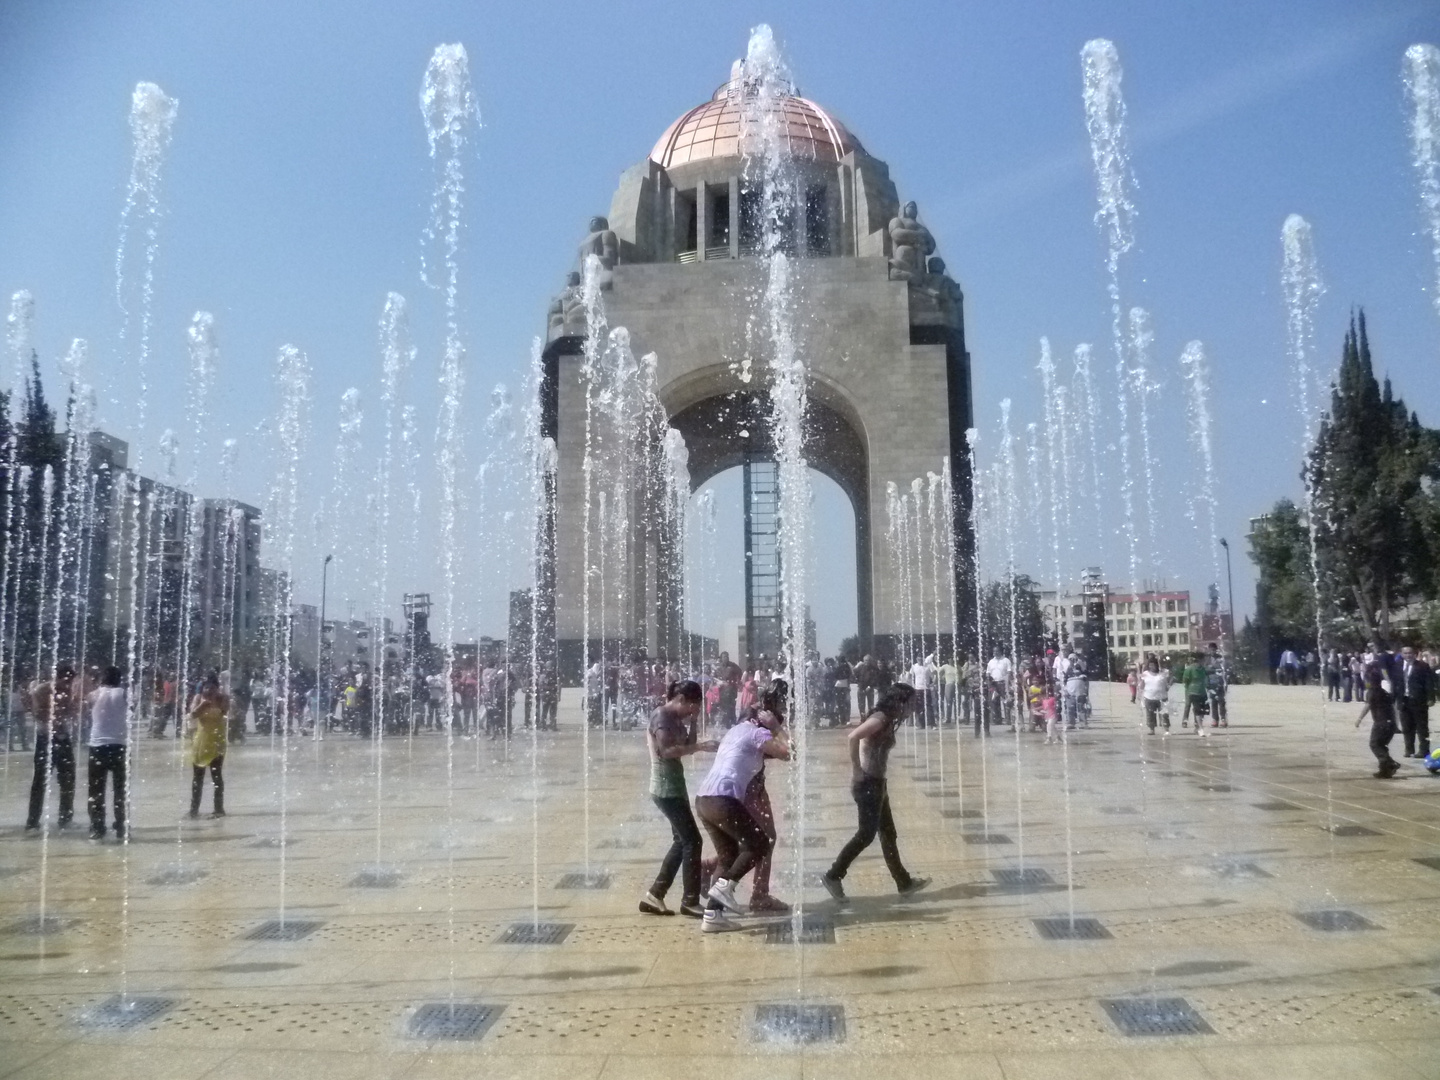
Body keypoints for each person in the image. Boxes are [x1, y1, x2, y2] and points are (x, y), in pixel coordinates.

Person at [692, 686, 792, 932]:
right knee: (759, 844)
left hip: (704, 799)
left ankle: (713, 916)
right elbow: (791, 753)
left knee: (728, 857)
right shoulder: (758, 734)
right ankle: (723, 889)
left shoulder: (737, 730)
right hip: (723, 801)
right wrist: (777, 729)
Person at [822, 683, 929, 904]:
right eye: (910, 702)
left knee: (888, 834)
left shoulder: (888, 719)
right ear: (900, 701)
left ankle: (904, 883)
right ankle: (833, 876)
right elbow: (853, 737)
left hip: (878, 783)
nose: (912, 707)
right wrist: (856, 771)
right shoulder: (880, 718)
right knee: (866, 834)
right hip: (868, 783)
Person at [640, 680, 717, 918]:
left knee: (681, 841)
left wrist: (693, 722)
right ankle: (690, 901)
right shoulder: (661, 717)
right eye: (692, 708)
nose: (692, 712)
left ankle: (655, 895)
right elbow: (667, 751)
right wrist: (702, 747)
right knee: (693, 841)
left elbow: (685, 743)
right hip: (665, 788)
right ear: (681, 699)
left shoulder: (675, 718)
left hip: (674, 786)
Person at [25, 665, 78, 831]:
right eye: (66, 679)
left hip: (63, 737)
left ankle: (65, 818)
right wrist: (57, 715)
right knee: (40, 780)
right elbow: (37, 712)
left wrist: (68, 711)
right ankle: (32, 821)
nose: (68, 683)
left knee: (68, 779)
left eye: (70, 680)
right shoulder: (42, 690)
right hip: (46, 738)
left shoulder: (68, 690)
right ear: (58, 677)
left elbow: (70, 712)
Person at [86, 666, 129, 841]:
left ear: (102, 679)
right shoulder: (125, 693)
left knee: (96, 790)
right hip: (119, 745)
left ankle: (97, 827)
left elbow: (84, 709)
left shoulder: (92, 695)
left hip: (98, 745)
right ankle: (121, 826)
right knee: (120, 789)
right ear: (119, 679)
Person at [188, 674, 229, 817]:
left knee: (216, 775)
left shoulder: (223, 698)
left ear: (218, 688)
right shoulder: (198, 698)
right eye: (206, 687)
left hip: (217, 740)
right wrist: (203, 704)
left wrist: (217, 701)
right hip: (201, 741)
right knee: (197, 777)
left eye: (213, 688)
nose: (209, 690)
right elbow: (192, 715)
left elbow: (225, 712)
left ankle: (219, 809)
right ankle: (194, 810)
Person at [1356, 661, 1401, 778]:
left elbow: (1367, 706)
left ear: (1369, 682)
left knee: (1374, 744)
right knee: (1382, 745)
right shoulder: (1384, 692)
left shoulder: (1372, 693)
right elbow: (1393, 708)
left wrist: (1359, 719)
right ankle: (1385, 770)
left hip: (1381, 723)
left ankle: (1390, 763)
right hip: (1390, 723)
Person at [1396, 645, 1433, 759]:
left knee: (1422, 727)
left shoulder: (1422, 666)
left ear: (1415, 654)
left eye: (1410, 653)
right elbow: (1396, 683)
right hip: (1404, 700)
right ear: (1402, 654)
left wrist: (1430, 697)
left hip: (1419, 700)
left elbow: (1429, 682)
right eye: (1405, 653)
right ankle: (1409, 749)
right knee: (1407, 727)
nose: (1408, 655)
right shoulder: (1398, 666)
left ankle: (1424, 750)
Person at [1179, 653, 1210, 736]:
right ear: (1199, 660)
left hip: (1202, 692)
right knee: (1197, 710)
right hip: (1193, 692)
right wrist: (1190, 688)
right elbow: (1185, 680)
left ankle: (1197, 726)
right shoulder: (1189, 669)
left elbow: (1206, 679)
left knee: (1203, 711)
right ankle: (1200, 728)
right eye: (1203, 659)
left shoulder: (1203, 669)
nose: (1204, 661)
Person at [984, 647, 1012, 732]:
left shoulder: (1006, 660)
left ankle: (1008, 719)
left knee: (1006, 702)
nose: (995, 652)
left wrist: (1008, 683)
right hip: (994, 684)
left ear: (1000, 651)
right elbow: (988, 672)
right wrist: (989, 682)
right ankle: (997, 720)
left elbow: (1009, 672)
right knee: (993, 702)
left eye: (997, 651)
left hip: (1003, 683)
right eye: (994, 651)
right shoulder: (991, 661)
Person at [1140, 657, 1169, 734]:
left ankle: (1166, 729)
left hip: (1162, 697)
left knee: (1164, 714)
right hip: (1149, 697)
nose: (1151, 667)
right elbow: (1142, 686)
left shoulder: (1163, 672)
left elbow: (1169, 681)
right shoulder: (1145, 673)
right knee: (1150, 714)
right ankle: (1152, 729)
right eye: (1150, 665)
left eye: (1153, 665)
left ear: (1156, 665)